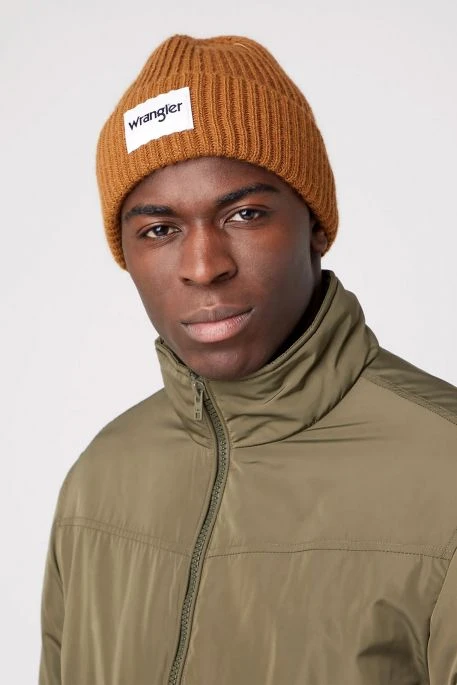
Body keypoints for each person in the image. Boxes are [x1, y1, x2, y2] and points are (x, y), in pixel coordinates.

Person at [39, 34, 457, 685]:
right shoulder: (100, 480)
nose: (204, 267)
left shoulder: (444, 468)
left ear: (315, 225)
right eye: (159, 229)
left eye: (245, 213)